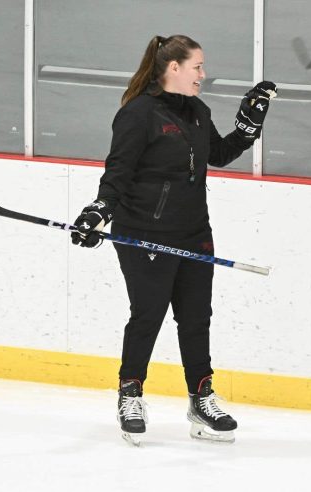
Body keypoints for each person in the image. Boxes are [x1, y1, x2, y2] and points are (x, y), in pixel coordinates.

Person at [70, 34, 276, 445]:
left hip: (194, 232)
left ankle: (201, 397)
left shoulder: (198, 110)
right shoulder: (138, 113)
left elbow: (217, 153)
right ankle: (130, 394)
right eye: (197, 66)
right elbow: (119, 171)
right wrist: (99, 210)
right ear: (174, 68)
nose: (203, 73)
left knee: (196, 318)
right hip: (143, 233)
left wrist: (247, 127)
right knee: (148, 315)